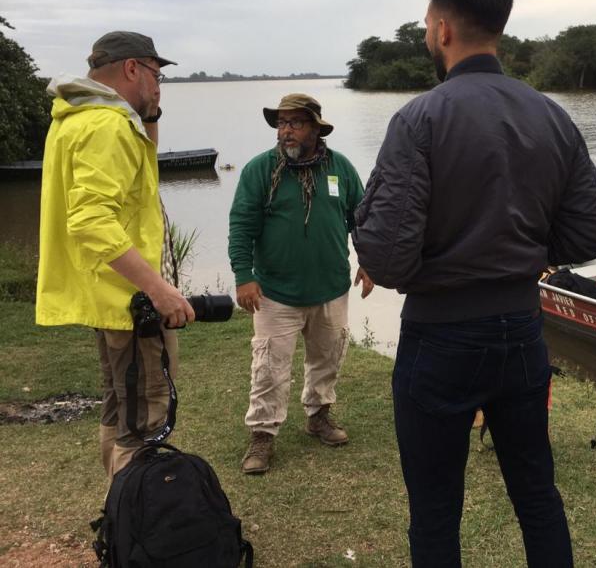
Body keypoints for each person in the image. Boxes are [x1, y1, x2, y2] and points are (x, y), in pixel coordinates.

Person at [353, 0, 596, 567]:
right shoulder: (551, 115)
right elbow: (589, 230)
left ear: (443, 30)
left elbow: (389, 255)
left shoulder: (419, 118)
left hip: (440, 337)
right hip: (522, 330)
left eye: (425, 23)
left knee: (437, 510)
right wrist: (520, 256)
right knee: (537, 494)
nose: (424, 33)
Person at [36, 31, 195, 480]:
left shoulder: (77, 118)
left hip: (107, 299)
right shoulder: (107, 126)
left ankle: (122, 517)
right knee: (144, 420)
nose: (160, 84)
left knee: (119, 407)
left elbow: (139, 165)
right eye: (157, 74)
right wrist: (159, 289)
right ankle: (138, 532)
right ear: (132, 69)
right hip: (131, 304)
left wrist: (152, 111)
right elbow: (90, 221)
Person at [229, 93, 373, 475]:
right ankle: (262, 434)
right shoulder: (260, 169)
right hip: (276, 292)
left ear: (315, 128)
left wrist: (370, 262)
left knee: (328, 357)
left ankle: (319, 416)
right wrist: (244, 277)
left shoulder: (339, 168)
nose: (286, 130)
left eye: (295, 123)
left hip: (331, 288)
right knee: (269, 368)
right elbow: (241, 225)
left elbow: (361, 218)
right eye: (281, 123)